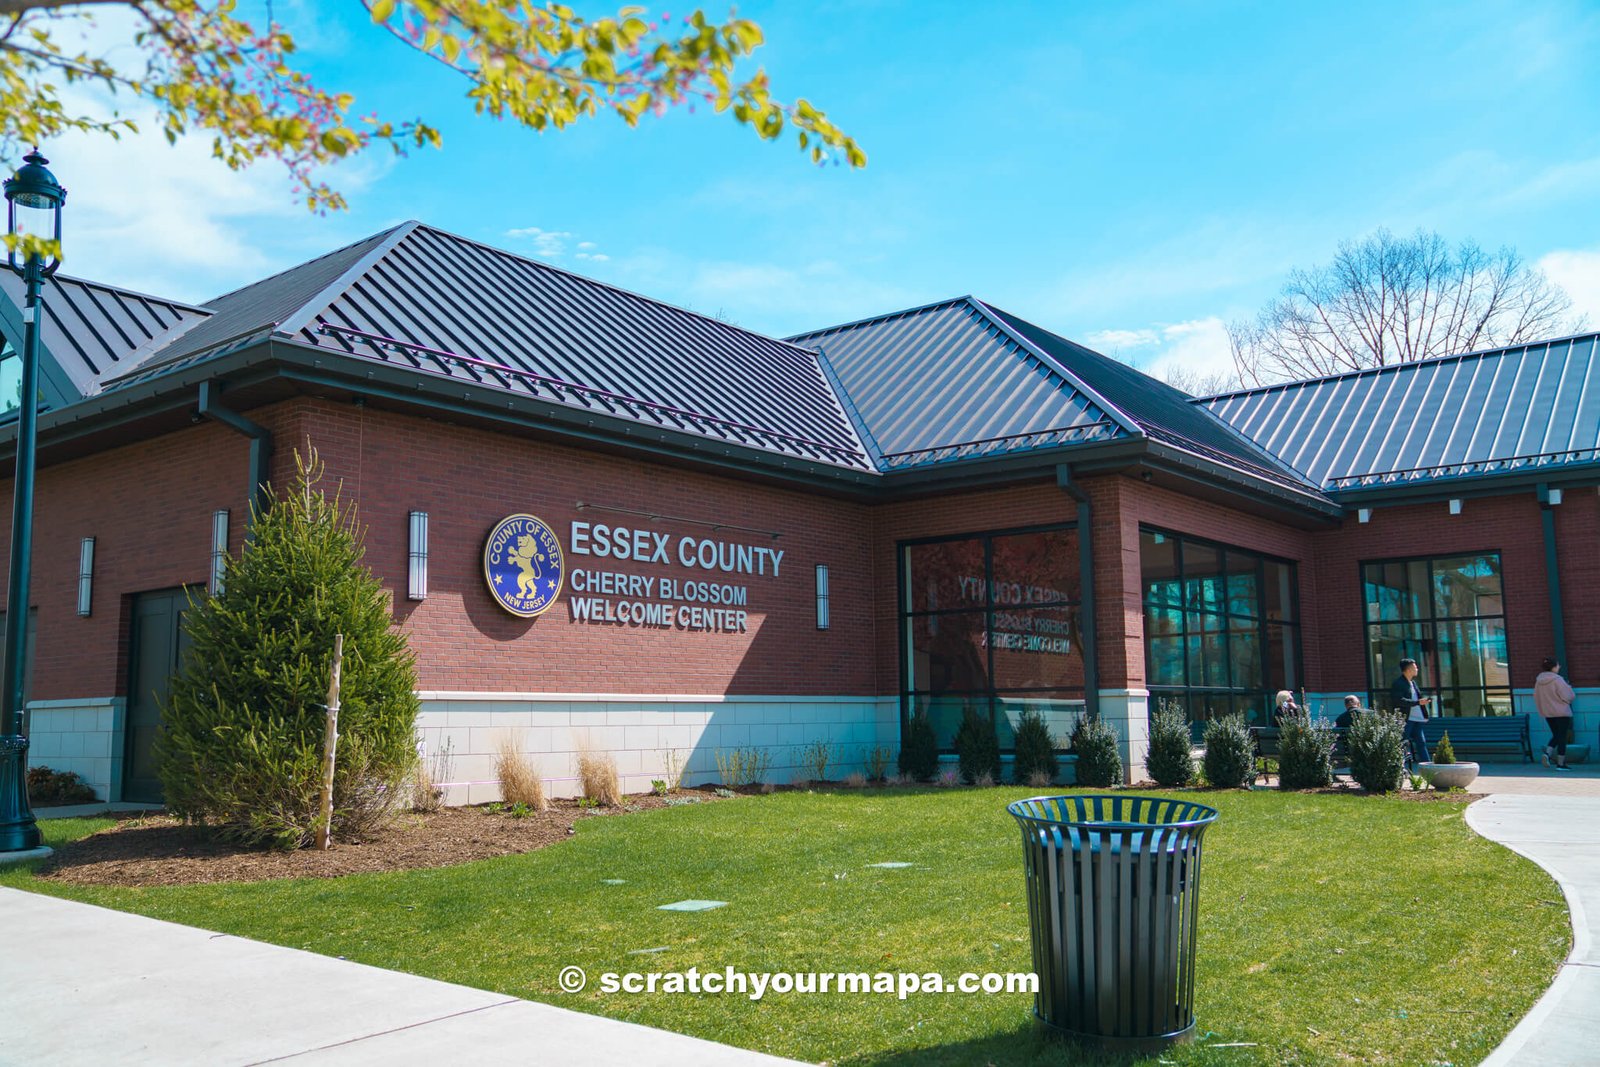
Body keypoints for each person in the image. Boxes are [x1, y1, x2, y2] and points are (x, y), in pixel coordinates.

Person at [1534, 657, 1577, 770]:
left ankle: (1547, 754)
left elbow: (1536, 697)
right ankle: (1560, 764)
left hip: (1548, 713)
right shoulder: (1558, 680)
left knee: (1557, 735)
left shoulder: (1539, 681)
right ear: (1553, 667)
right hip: (1562, 712)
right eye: (1558, 665)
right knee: (1561, 737)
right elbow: (1569, 696)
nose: (1559, 667)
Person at [1390, 658, 1431, 769]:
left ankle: (1428, 767)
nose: (1417, 669)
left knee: (1421, 743)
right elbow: (1398, 700)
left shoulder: (1413, 683)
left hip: (1417, 719)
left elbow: (1418, 699)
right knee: (1401, 743)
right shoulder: (1399, 683)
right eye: (1415, 667)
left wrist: (1424, 713)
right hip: (1406, 719)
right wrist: (1417, 702)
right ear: (1408, 669)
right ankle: (1398, 767)